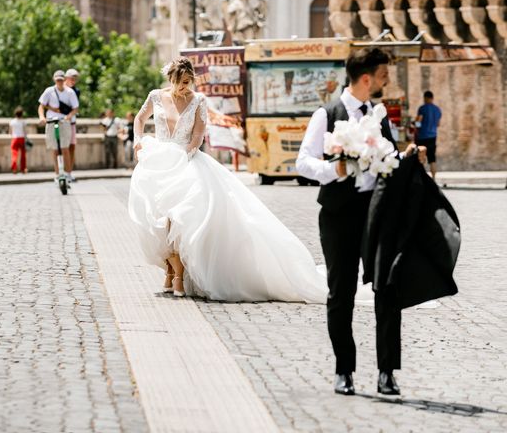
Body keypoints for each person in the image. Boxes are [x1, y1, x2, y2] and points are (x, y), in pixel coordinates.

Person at [128, 57, 355, 302]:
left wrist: (185, 154)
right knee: (156, 219)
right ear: (170, 79)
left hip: (186, 162)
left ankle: (179, 276)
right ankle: (169, 269)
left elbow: (197, 135)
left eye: (187, 82)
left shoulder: (198, 101)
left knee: (178, 218)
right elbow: (139, 119)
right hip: (158, 163)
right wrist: (139, 139)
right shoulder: (155, 96)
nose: (184, 87)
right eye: (180, 82)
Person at [296, 47, 426, 397]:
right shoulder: (327, 114)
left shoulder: (379, 114)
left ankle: (387, 373)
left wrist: (408, 156)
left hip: (376, 213)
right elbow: (303, 163)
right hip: (339, 216)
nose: (386, 81)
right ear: (366, 78)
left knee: (388, 289)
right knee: (342, 293)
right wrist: (332, 169)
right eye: (383, 75)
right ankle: (344, 371)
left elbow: (387, 160)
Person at [38, 70, 78, 183]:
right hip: (51, 121)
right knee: (55, 149)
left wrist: (69, 117)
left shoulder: (70, 92)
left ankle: (68, 173)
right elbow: (41, 106)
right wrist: (41, 117)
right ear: (54, 80)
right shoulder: (49, 91)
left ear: (64, 79)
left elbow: (75, 108)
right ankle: (57, 173)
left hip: (64, 122)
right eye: (58, 80)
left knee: (65, 148)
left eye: (61, 79)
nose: (60, 82)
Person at [415, 90, 442, 179]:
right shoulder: (437, 110)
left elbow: (418, 122)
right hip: (433, 137)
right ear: (432, 98)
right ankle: (433, 179)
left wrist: (415, 124)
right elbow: (438, 124)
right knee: (432, 159)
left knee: (421, 158)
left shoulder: (422, 108)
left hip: (422, 136)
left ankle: (421, 179)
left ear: (425, 98)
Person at [64, 68, 80, 179]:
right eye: (71, 79)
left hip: (71, 121)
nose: (73, 81)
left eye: (75, 79)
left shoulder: (75, 91)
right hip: (62, 120)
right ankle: (62, 171)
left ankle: (69, 172)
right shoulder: (59, 89)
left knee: (72, 147)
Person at [9, 106, 27, 174]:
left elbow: (10, 132)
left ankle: (14, 168)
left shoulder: (12, 122)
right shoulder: (23, 122)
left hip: (14, 138)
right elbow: (25, 132)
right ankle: (23, 169)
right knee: (23, 155)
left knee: (14, 154)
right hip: (21, 138)